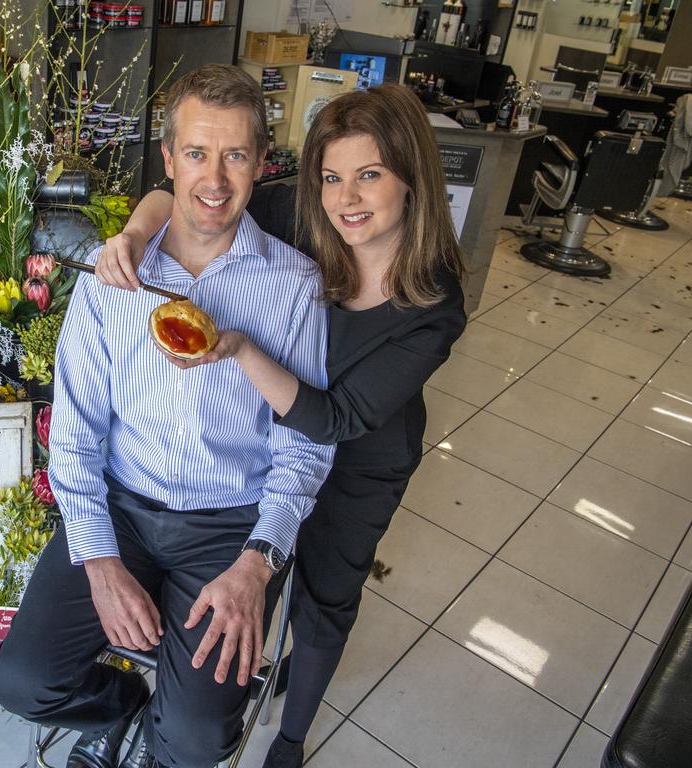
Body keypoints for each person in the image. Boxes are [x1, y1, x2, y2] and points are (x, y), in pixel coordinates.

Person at [96, 84, 467, 768]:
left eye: (369, 176)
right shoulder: (303, 216)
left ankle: (292, 737)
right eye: (332, 176)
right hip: (267, 445)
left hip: (361, 456)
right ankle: (210, 696)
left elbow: (338, 417)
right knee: (259, 571)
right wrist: (134, 234)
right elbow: (181, 201)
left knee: (325, 598)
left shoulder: (433, 303)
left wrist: (238, 347)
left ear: (412, 178)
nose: (346, 198)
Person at [0, 63, 336, 768]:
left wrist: (257, 564)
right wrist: (98, 562)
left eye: (236, 154)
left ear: (261, 162)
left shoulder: (295, 286)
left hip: (228, 529)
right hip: (122, 509)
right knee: (23, 681)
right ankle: (124, 714)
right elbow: (77, 437)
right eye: (198, 153)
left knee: (197, 742)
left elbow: (305, 448)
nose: (215, 178)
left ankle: (165, 736)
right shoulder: (111, 283)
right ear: (168, 159)